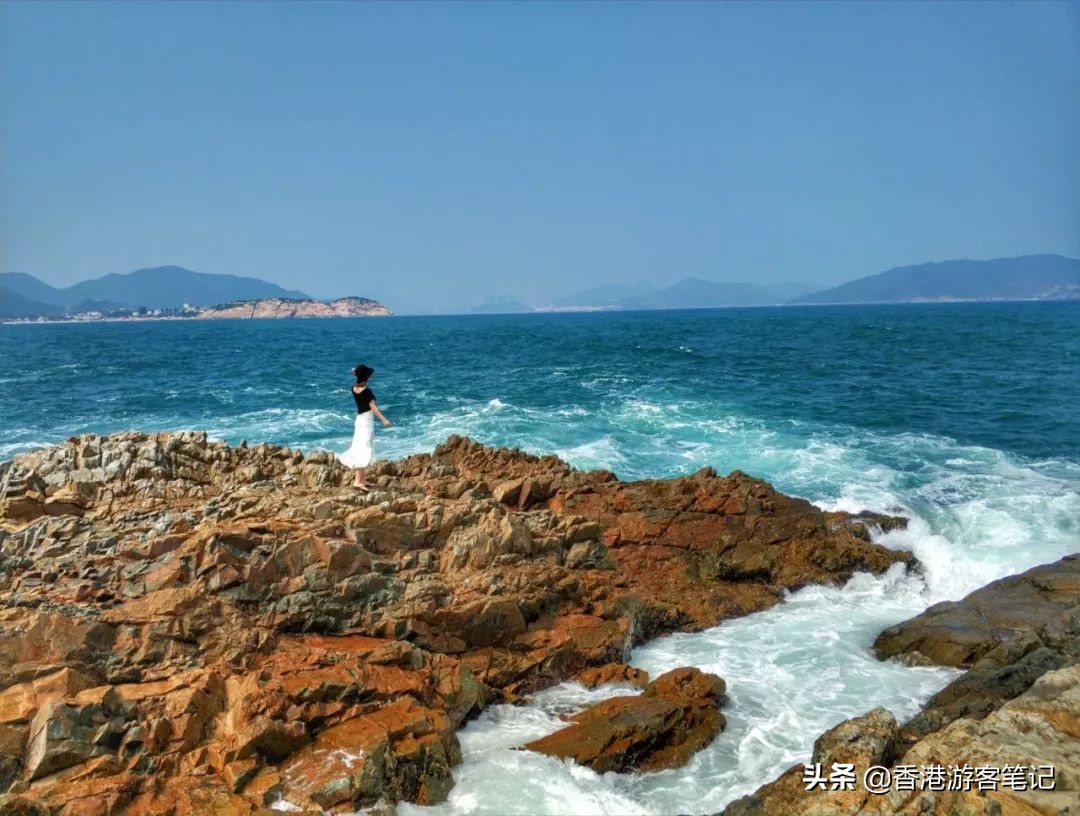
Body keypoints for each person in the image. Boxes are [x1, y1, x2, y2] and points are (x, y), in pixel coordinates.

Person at [337, 364, 391, 490]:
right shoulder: (367, 391)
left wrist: (355, 371)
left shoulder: (353, 388)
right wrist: (384, 420)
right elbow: (373, 407)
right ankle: (357, 481)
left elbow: (356, 373)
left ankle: (361, 479)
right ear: (366, 377)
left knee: (359, 447)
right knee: (364, 448)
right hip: (366, 421)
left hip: (359, 420)